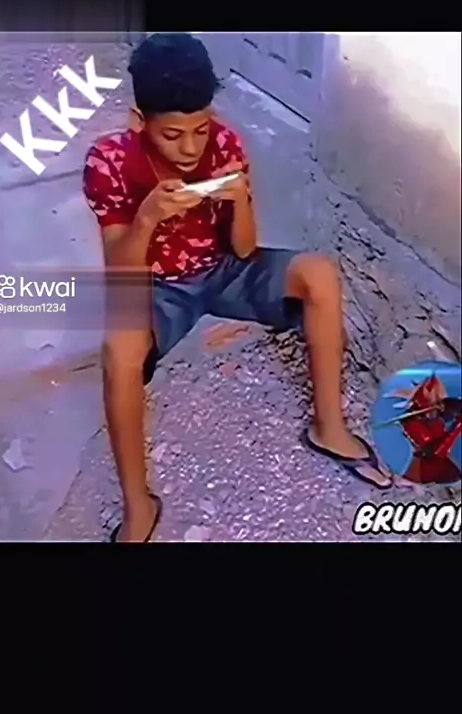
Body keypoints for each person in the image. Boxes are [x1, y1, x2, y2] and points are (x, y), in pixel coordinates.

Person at [83, 32, 392, 543]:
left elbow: (245, 250)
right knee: (120, 352)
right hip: (155, 286)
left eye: (200, 130)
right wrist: (147, 219)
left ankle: (329, 428)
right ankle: (139, 505)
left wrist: (240, 199)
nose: (190, 148)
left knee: (319, 274)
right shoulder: (109, 162)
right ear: (140, 122)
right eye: (172, 135)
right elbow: (120, 270)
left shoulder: (225, 144)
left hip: (224, 269)